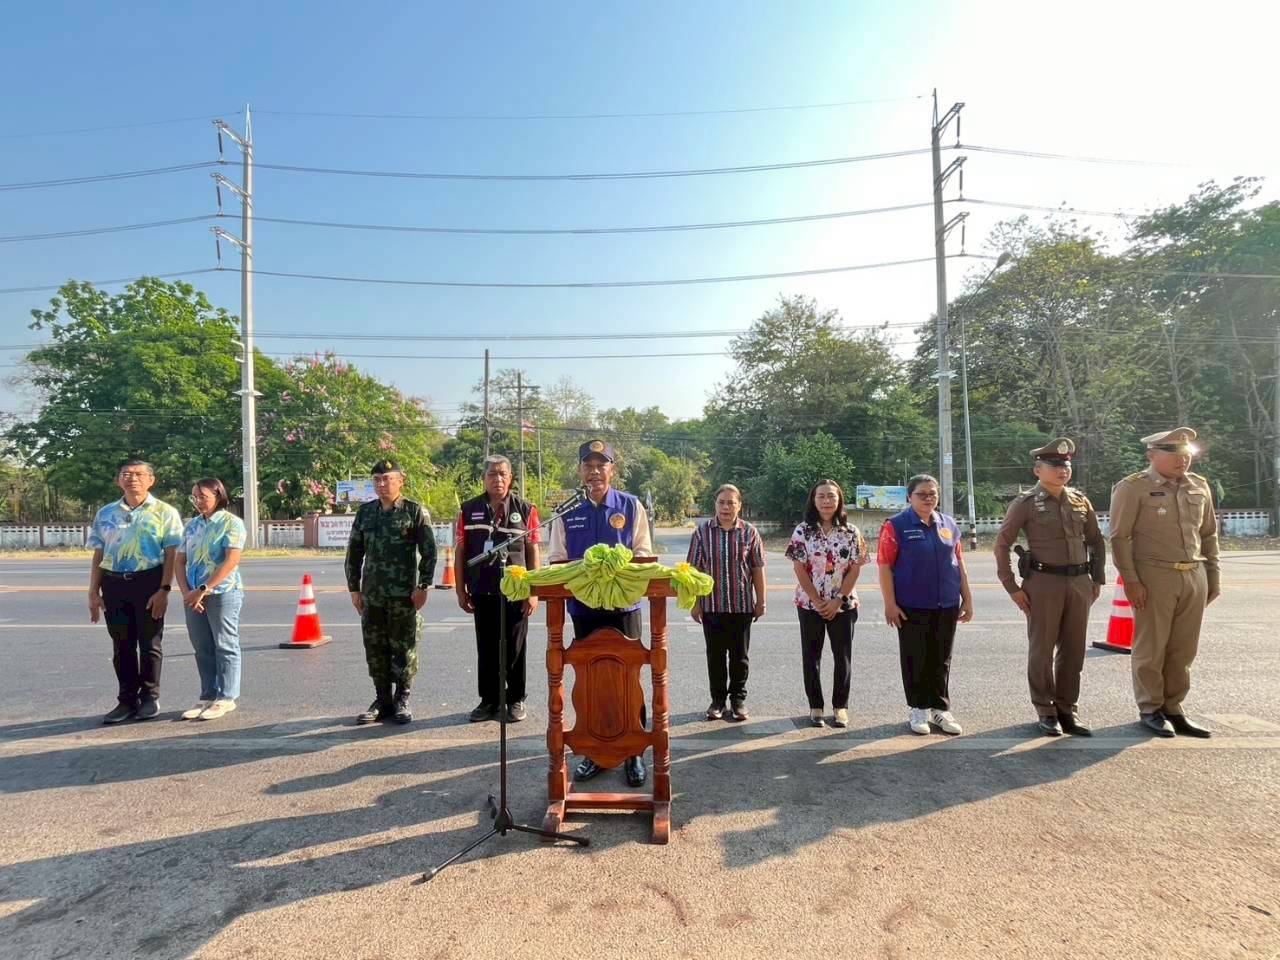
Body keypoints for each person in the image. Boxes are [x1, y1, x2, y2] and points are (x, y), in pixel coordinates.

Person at [547, 439, 654, 787]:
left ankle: (633, 754)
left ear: (612, 469)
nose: (594, 471)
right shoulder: (567, 510)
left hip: (625, 607)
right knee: (589, 681)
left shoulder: (630, 505)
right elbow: (557, 561)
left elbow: (643, 553)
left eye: (601, 464)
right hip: (584, 608)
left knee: (629, 680)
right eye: (588, 465)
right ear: (580, 470)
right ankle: (593, 752)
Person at [1108, 427, 1220, 738]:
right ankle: (1150, 708)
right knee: (1151, 648)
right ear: (1152, 456)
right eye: (1174, 454)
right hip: (1155, 576)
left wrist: (1213, 575)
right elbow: (1119, 538)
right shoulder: (1133, 488)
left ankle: (1174, 707)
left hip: (1193, 575)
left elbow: (1208, 534)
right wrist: (1131, 581)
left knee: (1183, 649)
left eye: (1186, 454)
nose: (1182, 460)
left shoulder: (1199, 486)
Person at [995, 439, 1106, 736]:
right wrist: (1012, 587)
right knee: (1042, 650)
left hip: (1079, 582)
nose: (1062, 471)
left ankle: (1067, 709)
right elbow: (1003, 543)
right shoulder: (1026, 503)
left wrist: (1097, 579)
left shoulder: (1081, 501)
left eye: (1066, 466)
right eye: (1055, 466)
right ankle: (1045, 710)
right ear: (1038, 470)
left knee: (1073, 650)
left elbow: (1096, 541)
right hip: (1043, 584)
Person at [87, 459, 184, 724]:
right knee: (122, 645)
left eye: (139, 474)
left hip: (149, 582)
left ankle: (150, 698)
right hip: (114, 583)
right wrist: (93, 591)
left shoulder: (165, 512)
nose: (133, 479)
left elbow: (171, 553)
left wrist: (164, 589)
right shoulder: (105, 513)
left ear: (151, 480)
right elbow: (99, 553)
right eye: (126, 474)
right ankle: (126, 700)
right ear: (118, 480)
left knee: (150, 643)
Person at [877, 474, 974, 736]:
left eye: (932, 493)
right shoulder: (896, 525)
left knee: (941, 658)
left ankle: (940, 709)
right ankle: (918, 708)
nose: (928, 498)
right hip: (911, 604)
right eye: (922, 494)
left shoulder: (949, 524)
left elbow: (959, 562)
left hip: (947, 603)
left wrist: (967, 597)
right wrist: (890, 604)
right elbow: (885, 565)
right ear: (910, 497)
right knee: (915, 656)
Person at [345, 459, 436, 725]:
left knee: (404, 649)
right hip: (372, 595)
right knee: (375, 649)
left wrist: (423, 586)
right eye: (377, 480)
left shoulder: (414, 511)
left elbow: (429, 552)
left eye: (387, 479)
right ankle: (382, 700)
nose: (382, 484)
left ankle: (402, 699)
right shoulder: (365, 513)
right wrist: (354, 588)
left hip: (402, 596)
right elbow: (354, 553)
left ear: (400, 480)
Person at [455, 454, 540, 724]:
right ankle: (489, 700)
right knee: (487, 647)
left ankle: (515, 699)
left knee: (515, 647)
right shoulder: (468, 510)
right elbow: (459, 551)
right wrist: (460, 590)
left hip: (516, 591)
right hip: (483, 590)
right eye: (492, 474)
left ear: (511, 477)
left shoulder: (526, 509)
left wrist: (533, 590)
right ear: (484, 478)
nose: (498, 479)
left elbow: (532, 549)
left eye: (503, 473)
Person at [785, 479, 868, 728]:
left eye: (831, 496)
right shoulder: (802, 531)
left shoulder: (852, 531)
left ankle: (840, 707)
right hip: (809, 605)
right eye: (821, 496)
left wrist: (838, 599)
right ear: (813, 500)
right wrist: (817, 600)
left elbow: (855, 568)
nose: (826, 501)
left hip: (844, 605)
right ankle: (816, 706)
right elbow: (799, 568)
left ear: (839, 499)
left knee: (842, 657)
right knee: (811, 657)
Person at [687, 484, 766, 722]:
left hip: (741, 605)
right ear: (715, 504)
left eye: (731, 502)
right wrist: (694, 603)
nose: (726, 507)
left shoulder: (750, 532)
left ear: (739, 505)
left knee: (740, 657)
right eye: (722, 502)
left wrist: (761, 601)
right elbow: (692, 571)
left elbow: (757, 569)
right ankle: (718, 701)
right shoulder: (702, 532)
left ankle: (738, 700)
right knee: (716, 656)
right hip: (712, 606)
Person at [175, 478, 247, 722]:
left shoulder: (231, 523)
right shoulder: (192, 526)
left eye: (203, 497)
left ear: (218, 496)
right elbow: (180, 561)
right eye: (194, 497)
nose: (198, 502)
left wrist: (204, 589)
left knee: (225, 644)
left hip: (222, 593)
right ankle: (207, 694)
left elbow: (231, 561)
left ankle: (226, 697)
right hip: (194, 596)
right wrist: (187, 592)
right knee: (202, 647)